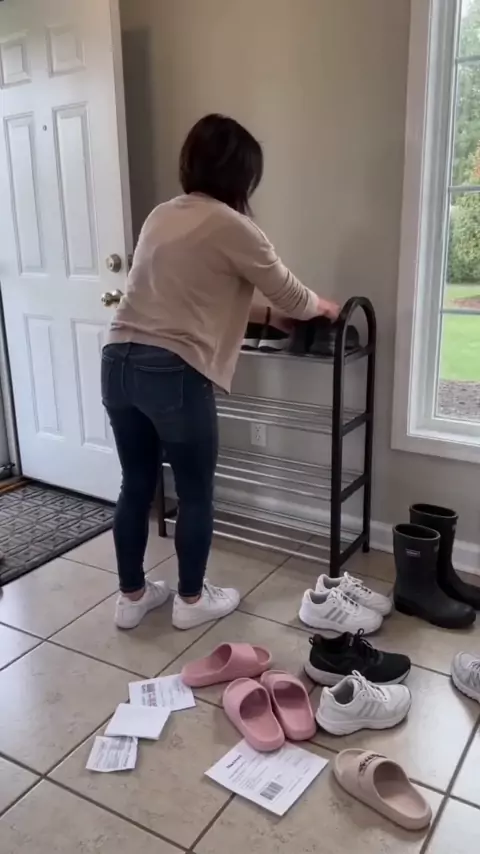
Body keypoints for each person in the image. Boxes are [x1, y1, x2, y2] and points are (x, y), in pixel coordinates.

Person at [102, 113, 340, 632]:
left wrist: (268, 317)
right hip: (172, 371)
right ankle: (190, 599)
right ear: (241, 175)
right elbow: (291, 293)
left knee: (136, 484)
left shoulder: (162, 216)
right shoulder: (233, 226)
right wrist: (323, 307)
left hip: (117, 360)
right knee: (195, 492)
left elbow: (192, 293)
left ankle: (131, 597)